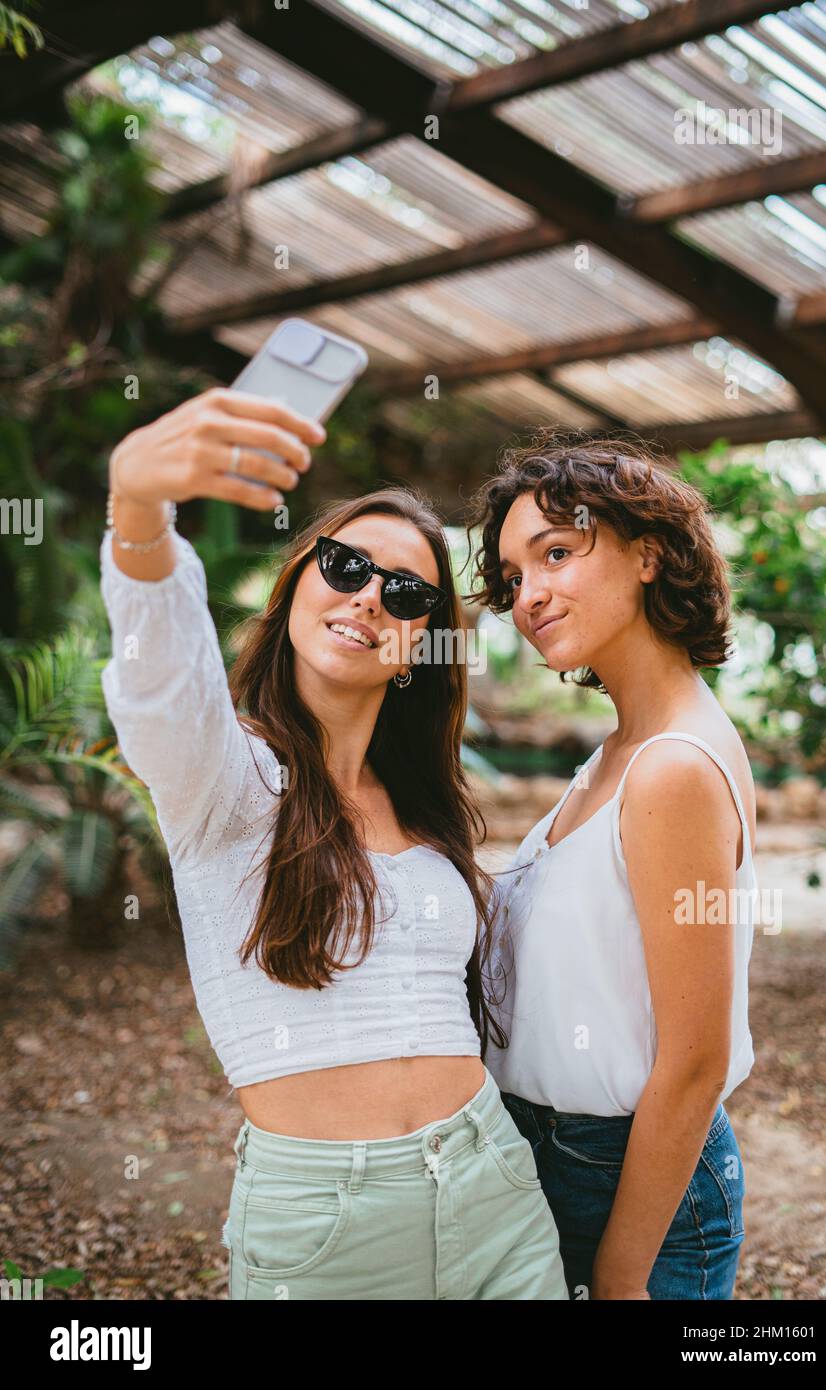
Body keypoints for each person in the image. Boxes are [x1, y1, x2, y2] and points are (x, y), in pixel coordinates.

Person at [99, 386, 569, 1300]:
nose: (367, 598)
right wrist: (139, 511)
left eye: (403, 592)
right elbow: (162, 682)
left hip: (497, 1193)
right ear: (297, 580)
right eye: (346, 565)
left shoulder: (426, 810)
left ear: (420, 647)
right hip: (325, 1226)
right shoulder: (224, 778)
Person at [466, 430, 756, 1300]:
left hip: (626, 1177)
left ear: (649, 555)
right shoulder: (617, 755)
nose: (529, 595)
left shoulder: (671, 768)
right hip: (554, 1156)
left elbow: (696, 1061)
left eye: (557, 552)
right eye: (515, 576)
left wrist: (623, 1278)